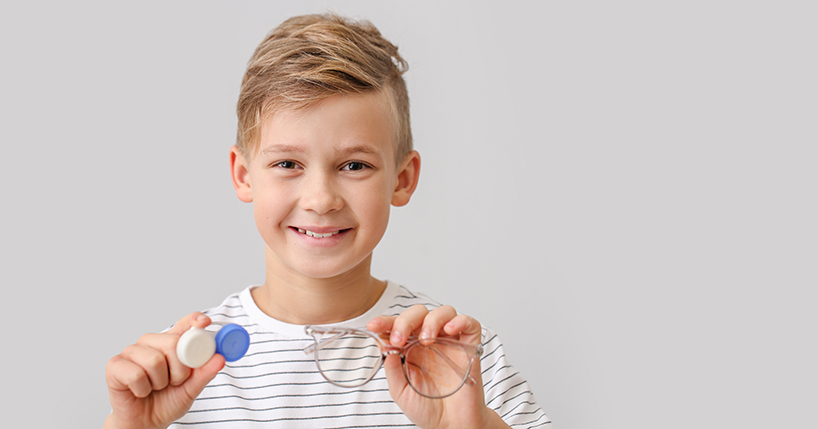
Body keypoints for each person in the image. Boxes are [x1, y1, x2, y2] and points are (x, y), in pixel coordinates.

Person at [103, 13, 553, 429]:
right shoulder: (175, 370)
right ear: (244, 175)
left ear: (402, 179)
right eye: (287, 164)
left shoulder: (461, 360)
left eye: (354, 165)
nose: (320, 200)